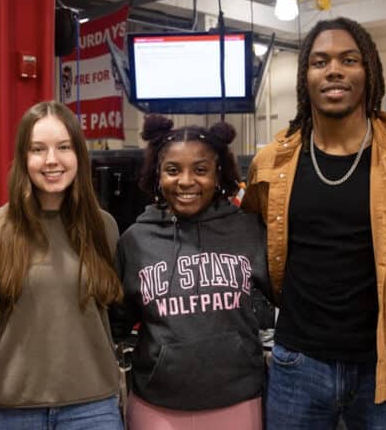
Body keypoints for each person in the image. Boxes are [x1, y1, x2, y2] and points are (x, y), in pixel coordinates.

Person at [242, 17, 386, 430]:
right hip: (297, 367)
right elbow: (247, 245)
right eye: (319, 61)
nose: (334, 70)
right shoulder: (271, 163)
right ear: (304, 77)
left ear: (370, 73)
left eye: (349, 59)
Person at [0, 101, 124, 430]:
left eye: (63, 147)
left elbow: (113, 311)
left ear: (79, 155)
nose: (51, 160)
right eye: (38, 149)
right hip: (10, 410)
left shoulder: (103, 228)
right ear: (23, 159)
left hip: (92, 408)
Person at [111, 116, 269, 430]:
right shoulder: (135, 240)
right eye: (172, 170)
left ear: (218, 173)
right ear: (157, 174)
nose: (186, 181)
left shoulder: (249, 229)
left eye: (200, 169)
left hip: (238, 401)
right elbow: (117, 320)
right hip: (156, 406)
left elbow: (282, 295)